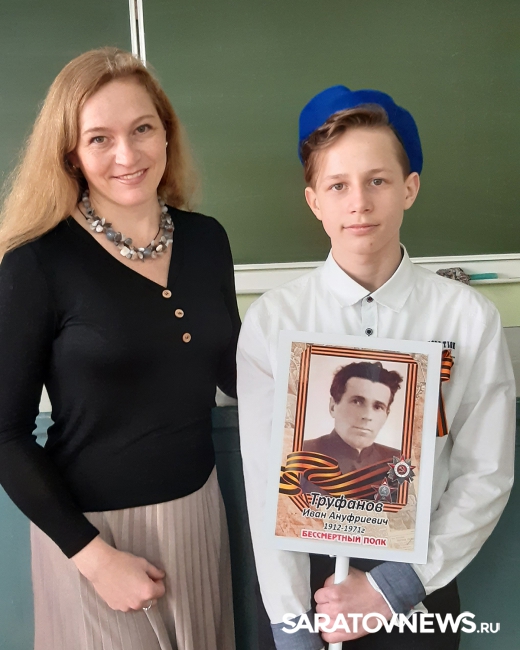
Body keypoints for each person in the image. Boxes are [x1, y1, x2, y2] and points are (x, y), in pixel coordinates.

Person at [236, 85, 515, 649]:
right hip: (305, 585)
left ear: (410, 188)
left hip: (421, 583)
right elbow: (266, 482)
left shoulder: (467, 318)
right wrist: (291, 623)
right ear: (314, 200)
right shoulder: (274, 320)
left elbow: (485, 472)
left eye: (378, 181)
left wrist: (394, 587)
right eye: (338, 185)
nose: (359, 203)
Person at [0, 48, 239, 650]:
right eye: (99, 139)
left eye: (142, 129)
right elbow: (3, 434)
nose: (127, 156)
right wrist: (96, 559)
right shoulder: (36, 262)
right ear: (71, 154)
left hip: (198, 515)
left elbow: (235, 372)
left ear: (166, 132)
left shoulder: (207, 240)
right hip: (92, 539)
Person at [303, 361, 403, 478]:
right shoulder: (300, 454)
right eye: (357, 402)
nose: (367, 416)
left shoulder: (399, 463)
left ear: (386, 416)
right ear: (333, 407)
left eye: (378, 407)